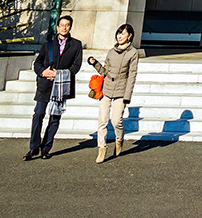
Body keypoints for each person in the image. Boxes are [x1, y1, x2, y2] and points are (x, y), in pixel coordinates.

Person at [26, 15, 83, 160]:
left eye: (67, 25)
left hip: (61, 85)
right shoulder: (48, 44)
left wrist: (61, 74)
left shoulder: (76, 45)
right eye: (61, 25)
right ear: (57, 27)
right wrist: (43, 72)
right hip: (45, 84)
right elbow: (37, 63)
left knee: (55, 117)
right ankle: (34, 147)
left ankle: (46, 148)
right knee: (38, 114)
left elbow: (76, 66)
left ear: (70, 27)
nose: (64, 27)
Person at [87, 23, 141, 164]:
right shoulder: (111, 52)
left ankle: (119, 140)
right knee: (103, 121)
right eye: (118, 33)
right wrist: (95, 63)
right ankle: (102, 149)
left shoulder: (133, 53)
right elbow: (105, 72)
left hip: (121, 90)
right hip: (107, 89)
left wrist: (127, 96)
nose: (119, 36)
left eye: (122, 33)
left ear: (129, 36)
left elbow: (132, 76)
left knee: (116, 121)